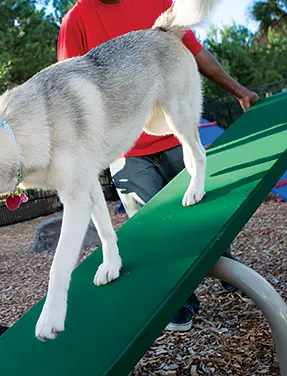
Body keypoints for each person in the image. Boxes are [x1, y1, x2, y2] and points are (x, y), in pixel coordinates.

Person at [58, 0, 259, 332]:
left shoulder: (156, 2)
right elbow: (70, 89)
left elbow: (196, 52)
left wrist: (239, 91)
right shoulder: (76, 21)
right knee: (153, 231)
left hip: (173, 136)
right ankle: (180, 301)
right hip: (127, 151)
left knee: (206, 217)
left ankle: (232, 276)